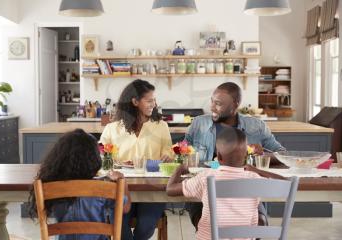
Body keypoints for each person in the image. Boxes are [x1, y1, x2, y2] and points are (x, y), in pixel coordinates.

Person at [185, 82, 285, 228]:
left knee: (260, 223)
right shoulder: (198, 124)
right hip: (205, 191)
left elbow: (282, 154)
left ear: (235, 104)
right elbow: (181, 152)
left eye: (218, 104)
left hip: (245, 191)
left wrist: (262, 154)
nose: (212, 107)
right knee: (207, 223)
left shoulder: (256, 126)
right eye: (212, 101)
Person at [167, 126, 285, 240]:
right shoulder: (253, 178)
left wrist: (180, 169)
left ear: (218, 157)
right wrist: (256, 170)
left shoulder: (206, 177)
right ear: (246, 156)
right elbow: (285, 184)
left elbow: (170, 190)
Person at [99, 79, 173, 240]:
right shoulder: (113, 128)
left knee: (145, 228)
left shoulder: (161, 126)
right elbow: (101, 154)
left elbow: (169, 151)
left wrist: (167, 155)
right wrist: (116, 162)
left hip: (151, 189)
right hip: (121, 189)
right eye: (149, 100)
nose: (154, 103)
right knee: (119, 225)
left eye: (154, 99)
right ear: (134, 101)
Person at [28, 128, 131, 240]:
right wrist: (123, 183)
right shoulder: (102, 188)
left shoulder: (51, 186)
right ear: (93, 159)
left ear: (58, 158)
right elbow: (125, 208)